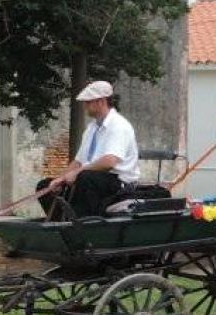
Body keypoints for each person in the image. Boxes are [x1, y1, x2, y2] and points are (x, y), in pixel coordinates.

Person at [37, 81, 139, 218]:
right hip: (92, 179)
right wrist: (61, 178)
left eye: (88, 102)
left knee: (85, 178)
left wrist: (77, 173)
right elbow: (78, 161)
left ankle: (84, 224)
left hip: (119, 183)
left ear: (101, 102)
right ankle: (61, 226)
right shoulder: (91, 129)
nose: (85, 106)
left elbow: (109, 162)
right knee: (45, 185)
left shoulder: (119, 126)